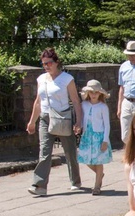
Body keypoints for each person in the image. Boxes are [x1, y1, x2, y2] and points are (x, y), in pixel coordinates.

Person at [26, 47, 83, 196]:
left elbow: (76, 101)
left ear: (56, 62)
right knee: (44, 153)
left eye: (49, 63)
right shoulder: (41, 79)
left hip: (62, 118)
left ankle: (75, 181)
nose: (46, 66)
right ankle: (40, 186)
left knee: (70, 152)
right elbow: (38, 102)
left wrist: (79, 121)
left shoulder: (66, 79)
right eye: (44, 63)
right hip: (45, 118)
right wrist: (32, 121)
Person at [77, 80, 112, 195]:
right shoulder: (84, 105)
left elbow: (107, 124)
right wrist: (79, 127)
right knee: (86, 159)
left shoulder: (103, 107)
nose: (93, 94)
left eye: (96, 92)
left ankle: (97, 186)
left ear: (100, 94)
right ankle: (99, 174)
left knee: (98, 161)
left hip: (99, 136)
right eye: (91, 92)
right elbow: (82, 120)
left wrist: (105, 140)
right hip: (87, 135)